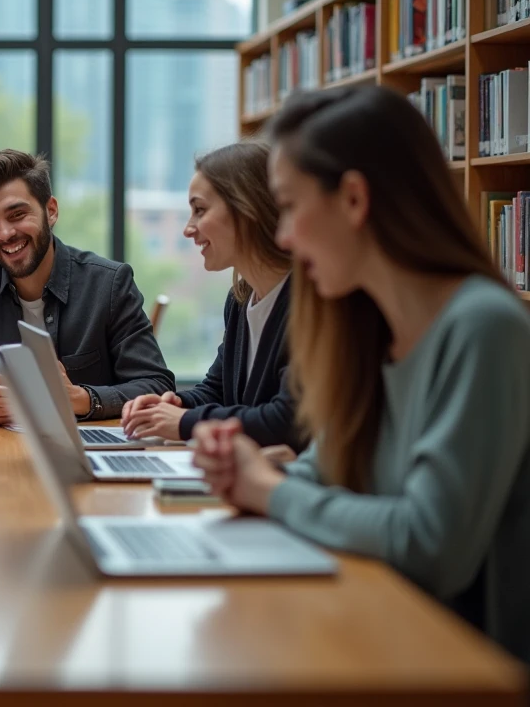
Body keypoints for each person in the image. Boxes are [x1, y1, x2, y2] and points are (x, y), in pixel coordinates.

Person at [192, 85, 530, 665]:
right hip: (381, 630)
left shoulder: (485, 326)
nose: (285, 236)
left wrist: (267, 489)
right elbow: (321, 474)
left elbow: (429, 545)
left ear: (353, 199)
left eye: (292, 206)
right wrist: (254, 474)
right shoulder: (369, 330)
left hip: (462, 664)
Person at [0, 149, 174, 424]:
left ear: (51, 211)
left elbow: (156, 384)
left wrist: (81, 398)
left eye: (17, 215)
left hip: (86, 454)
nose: (5, 234)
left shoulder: (109, 284)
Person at [121, 141, 300, 451]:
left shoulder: (307, 304)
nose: (188, 229)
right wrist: (177, 403)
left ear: (247, 209)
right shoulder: (241, 300)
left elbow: (285, 419)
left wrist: (184, 422)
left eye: (199, 210)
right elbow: (217, 390)